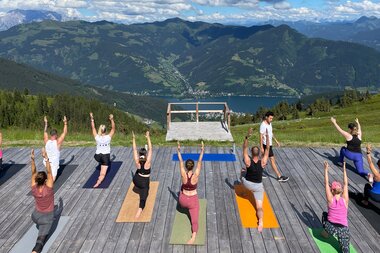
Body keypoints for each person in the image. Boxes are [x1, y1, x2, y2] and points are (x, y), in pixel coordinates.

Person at [242, 127, 270, 232]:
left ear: (251, 153)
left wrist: (247, 136)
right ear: (259, 154)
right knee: (259, 207)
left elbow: (244, 148)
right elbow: (267, 149)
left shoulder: (248, 161)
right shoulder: (263, 162)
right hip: (258, 187)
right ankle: (261, 221)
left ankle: (245, 192)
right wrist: (267, 137)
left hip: (247, 184)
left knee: (242, 172)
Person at [177, 140, 204, 244]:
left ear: (186, 166)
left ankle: (183, 198)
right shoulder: (196, 175)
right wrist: (202, 151)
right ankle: (193, 237)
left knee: (181, 188)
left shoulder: (183, 173)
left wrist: (178, 150)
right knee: (195, 220)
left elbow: (180, 161)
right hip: (192, 202)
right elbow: (200, 163)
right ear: (192, 166)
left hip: (182, 201)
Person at [30, 148, 57, 253]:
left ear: (36, 179)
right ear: (46, 180)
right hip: (46, 219)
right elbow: (49, 172)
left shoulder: (33, 187)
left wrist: (32, 159)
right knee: (39, 244)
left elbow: (33, 172)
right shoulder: (49, 188)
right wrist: (46, 158)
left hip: (35, 216)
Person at [330, 117, 373, 181]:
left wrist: (334, 122)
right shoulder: (359, 135)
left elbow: (340, 130)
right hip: (358, 156)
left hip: (349, 154)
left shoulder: (348, 136)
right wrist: (358, 122)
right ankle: (369, 174)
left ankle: (340, 161)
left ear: (350, 129)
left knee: (342, 148)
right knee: (360, 171)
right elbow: (360, 129)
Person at [321, 161, 350, 253]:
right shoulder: (345, 200)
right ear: (340, 191)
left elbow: (326, 183)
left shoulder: (330, 199)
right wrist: (344, 169)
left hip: (331, 227)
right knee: (345, 249)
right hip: (343, 229)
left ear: (332, 190)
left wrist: (325, 170)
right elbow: (345, 184)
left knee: (325, 215)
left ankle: (325, 234)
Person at [259, 111, 289, 182]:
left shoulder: (270, 124)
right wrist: (261, 147)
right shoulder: (263, 125)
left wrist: (276, 141)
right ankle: (279, 176)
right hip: (266, 145)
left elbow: (271, 133)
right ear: (266, 117)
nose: (271, 120)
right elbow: (260, 137)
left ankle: (258, 173)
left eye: (272, 118)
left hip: (270, 144)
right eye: (270, 118)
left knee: (264, 160)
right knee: (272, 159)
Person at [90, 113, 115, 188]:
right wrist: (112, 119)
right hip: (105, 157)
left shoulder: (97, 137)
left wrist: (92, 118)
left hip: (97, 156)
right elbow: (113, 128)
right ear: (105, 130)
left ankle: (100, 162)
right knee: (102, 173)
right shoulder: (108, 137)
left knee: (101, 161)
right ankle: (98, 183)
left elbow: (93, 128)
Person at [132, 130, 153, 219]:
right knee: (144, 198)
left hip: (136, 181)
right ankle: (139, 210)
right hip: (144, 183)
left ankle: (138, 186)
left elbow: (134, 149)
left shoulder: (137, 161)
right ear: (146, 155)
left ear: (140, 155)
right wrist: (148, 137)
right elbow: (151, 149)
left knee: (138, 171)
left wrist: (133, 139)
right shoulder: (147, 163)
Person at [43, 116, 68, 181]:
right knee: (52, 179)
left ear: (50, 135)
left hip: (46, 161)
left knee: (49, 174)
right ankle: (46, 184)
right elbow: (64, 132)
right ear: (56, 135)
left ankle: (45, 181)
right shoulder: (57, 142)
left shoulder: (46, 141)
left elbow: (45, 132)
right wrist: (65, 123)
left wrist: (46, 123)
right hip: (53, 162)